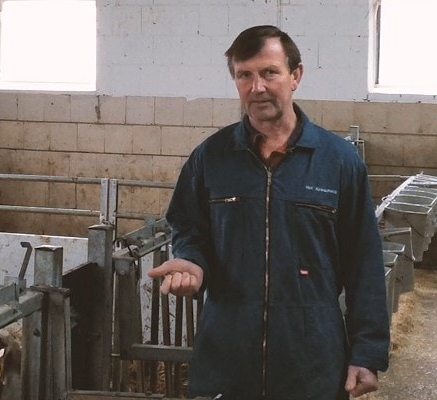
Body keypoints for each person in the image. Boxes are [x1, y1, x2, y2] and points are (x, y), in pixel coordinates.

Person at [148, 25, 390, 399]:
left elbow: (364, 262)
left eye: (269, 72)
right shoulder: (210, 157)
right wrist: (192, 261)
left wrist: (366, 352)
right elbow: (187, 225)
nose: (256, 87)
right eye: (244, 75)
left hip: (311, 357)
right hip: (227, 352)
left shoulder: (339, 162)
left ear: (296, 76)